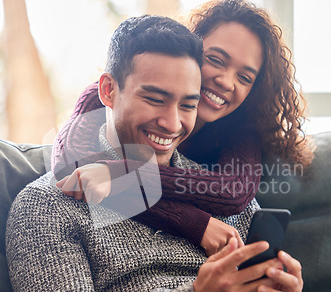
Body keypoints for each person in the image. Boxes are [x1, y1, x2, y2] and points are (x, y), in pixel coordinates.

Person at [6, 14, 312, 292]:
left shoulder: (230, 203)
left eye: (187, 105)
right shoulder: (47, 205)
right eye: (155, 99)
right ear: (108, 91)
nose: (172, 123)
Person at [52, 0, 314, 256]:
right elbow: (74, 167)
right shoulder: (104, 98)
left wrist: (118, 176)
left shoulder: (241, 130)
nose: (226, 81)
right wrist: (194, 224)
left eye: (244, 77)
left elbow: (231, 193)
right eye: (215, 59)